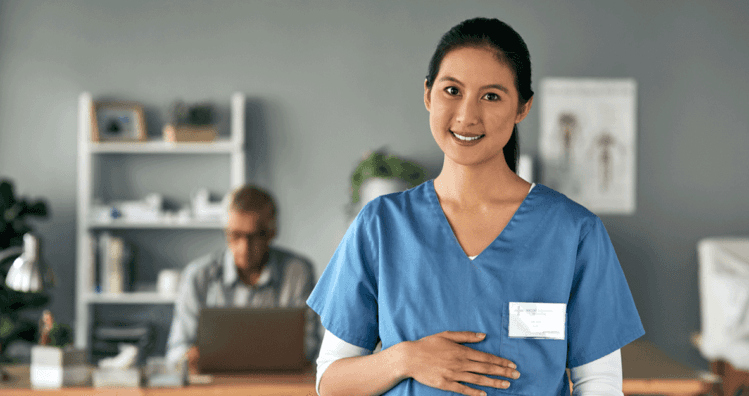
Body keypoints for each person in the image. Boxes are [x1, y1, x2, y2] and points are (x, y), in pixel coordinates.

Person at [307, 17, 644, 396]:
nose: (467, 115)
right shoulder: (381, 225)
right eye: (452, 90)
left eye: (492, 96)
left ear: (522, 108)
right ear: (428, 94)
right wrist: (406, 358)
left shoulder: (574, 232)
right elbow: (330, 383)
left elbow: (598, 384)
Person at [166, 184, 319, 373]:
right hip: (215, 386)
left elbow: (309, 346)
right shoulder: (198, 275)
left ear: (272, 232)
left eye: (255, 236)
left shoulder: (298, 272)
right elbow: (176, 350)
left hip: (278, 384)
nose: (244, 247)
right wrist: (187, 356)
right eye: (235, 235)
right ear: (225, 232)